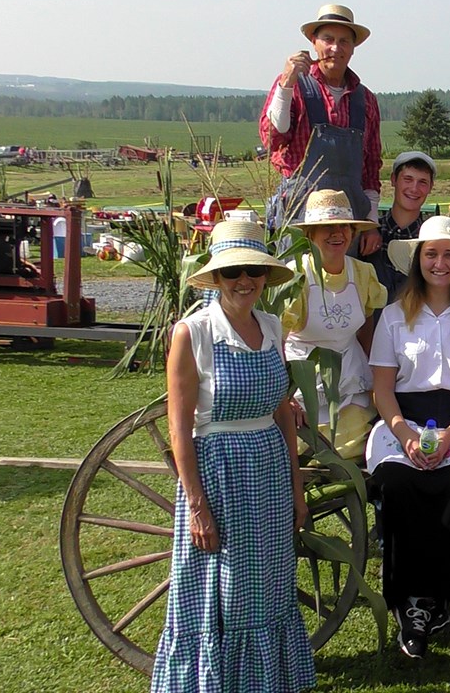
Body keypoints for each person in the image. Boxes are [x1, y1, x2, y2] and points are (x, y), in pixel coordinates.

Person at [153, 221, 314, 692]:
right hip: (220, 475)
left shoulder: (269, 325)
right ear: (217, 279)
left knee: (268, 584)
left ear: (265, 275)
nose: (245, 281)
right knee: (221, 587)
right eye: (232, 273)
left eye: (253, 271)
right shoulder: (193, 333)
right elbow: (179, 430)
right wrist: (196, 507)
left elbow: (282, 410)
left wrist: (296, 487)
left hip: (267, 472)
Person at [365, 215, 450, 659]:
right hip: (402, 418)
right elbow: (382, 388)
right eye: (431, 254)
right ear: (417, 261)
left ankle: (439, 598)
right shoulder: (392, 316)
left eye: (448, 255)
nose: (439, 263)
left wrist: (449, 436)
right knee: (399, 485)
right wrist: (402, 433)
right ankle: (410, 602)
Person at [260, 3, 382, 262]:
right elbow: (271, 137)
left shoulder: (365, 99)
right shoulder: (292, 85)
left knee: (345, 291)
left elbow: (371, 168)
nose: (335, 48)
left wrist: (371, 222)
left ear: (353, 49)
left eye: (344, 41)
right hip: (299, 217)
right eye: (328, 39)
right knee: (296, 291)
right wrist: (286, 83)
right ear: (313, 42)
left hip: (348, 223)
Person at [283, 189, 388, 463]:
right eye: (326, 227)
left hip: (350, 376)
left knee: (350, 451)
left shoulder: (362, 273)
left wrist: (372, 371)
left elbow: (366, 325)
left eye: (344, 226)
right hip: (304, 381)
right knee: (303, 452)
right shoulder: (296, 277)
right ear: (310, 235)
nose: (337, 233)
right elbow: (276, 341)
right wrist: (285, 396)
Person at [375, 151, 438, 293]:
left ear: (430, 187)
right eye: (408, 179)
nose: (414, 189)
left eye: (422, 182)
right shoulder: (370, 234)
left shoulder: (432, 239)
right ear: (393, 180)